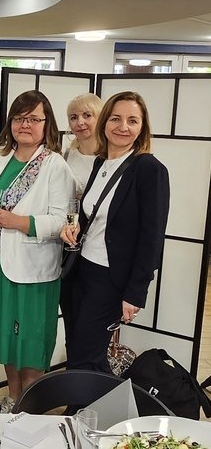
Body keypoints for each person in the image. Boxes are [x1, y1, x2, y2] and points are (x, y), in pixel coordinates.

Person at [0, 90, 74, 413]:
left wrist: (20, 222)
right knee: (7, 340)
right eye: (19, 118)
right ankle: (12, 398)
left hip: (31, 268)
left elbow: (62, 219)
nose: (25, 125)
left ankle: (33, 407)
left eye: (34, 119)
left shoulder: (54, 165)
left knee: (30, 343)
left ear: (47, 124)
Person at [60, 91, 170, 373]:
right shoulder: (101, 162)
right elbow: (95, 215)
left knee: (85, 356)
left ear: (142, 127)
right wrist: (75, 228)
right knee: (78, 349)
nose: (123, 127)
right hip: (80, 270)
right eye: (116, 119)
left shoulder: (149, 169)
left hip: (110, 278)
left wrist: (136, 293)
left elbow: (152, 238)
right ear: (105, 122)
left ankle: (85, 401)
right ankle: (89, 399)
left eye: (132, 121)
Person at [63, 93, 102, 195]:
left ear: (101, 118)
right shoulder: (64, 157)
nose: (80, 122)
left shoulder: (112, 158)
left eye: (87, 115)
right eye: (74, 117)